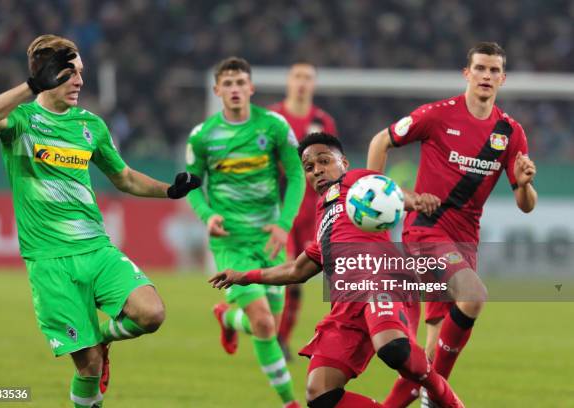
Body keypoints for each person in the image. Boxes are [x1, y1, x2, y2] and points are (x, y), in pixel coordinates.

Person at [0, 34, 201, 408]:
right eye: (70, 73)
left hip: (96, 249)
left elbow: (124, 178)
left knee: (151, 313)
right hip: (50, 260)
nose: (79, 81)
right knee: (89, 368)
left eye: (81, 73)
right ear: (46, 74)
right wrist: (30, 87)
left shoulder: (90, 126)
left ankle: (105, 335)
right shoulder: (22, 121)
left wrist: (169, 191)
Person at [209, 133, 463, 408]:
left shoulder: (354, 182)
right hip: (346, 304)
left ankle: (444, 398)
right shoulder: (324, 215)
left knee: (393, 348)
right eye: (309, 167)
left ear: (343, 162)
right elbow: (297, 270)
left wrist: (414, 201)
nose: (317, 169)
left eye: (324, 161)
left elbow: (387, 191)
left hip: (380, 280)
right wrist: (244, 277)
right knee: (320, 394)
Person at [367, 41, 537, 407]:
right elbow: (381, 140)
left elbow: (526, 206)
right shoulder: (438, 115)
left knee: (426, 358)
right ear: (467, 73)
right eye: (480, 68)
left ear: (502, 79)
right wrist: (375, 195)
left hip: (464, 242)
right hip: (425, 230)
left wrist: (524, 185)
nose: (486, 76)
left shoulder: (509, 133)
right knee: (474, 295)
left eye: (494, 70)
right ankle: (437, 394)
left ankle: (423, 393)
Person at [185, 57, 304, 408]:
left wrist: (284, 225)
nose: (235, 89)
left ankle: (228, 316)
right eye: (228, 83)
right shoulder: (203, 136)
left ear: (251, 88)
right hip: (230, 242)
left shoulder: (275, 126)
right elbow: (191, 184)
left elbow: (296, 176)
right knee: (266, 324)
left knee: (269, 325)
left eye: (241, 83)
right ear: (217, 90)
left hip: (269, 239)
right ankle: (289, 402)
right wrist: (206, 215)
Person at [269, 62, 338, 359]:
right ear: (288, 81)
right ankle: (275, 338)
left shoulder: (324, 121)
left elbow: (334, 165)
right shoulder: (273, 118)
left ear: (314, 84)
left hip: (314, 211)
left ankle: (284, 338)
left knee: (309, 278)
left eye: (307, 78)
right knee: (286, 276)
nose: (301, 82)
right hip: (280, 210)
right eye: (297, 76)